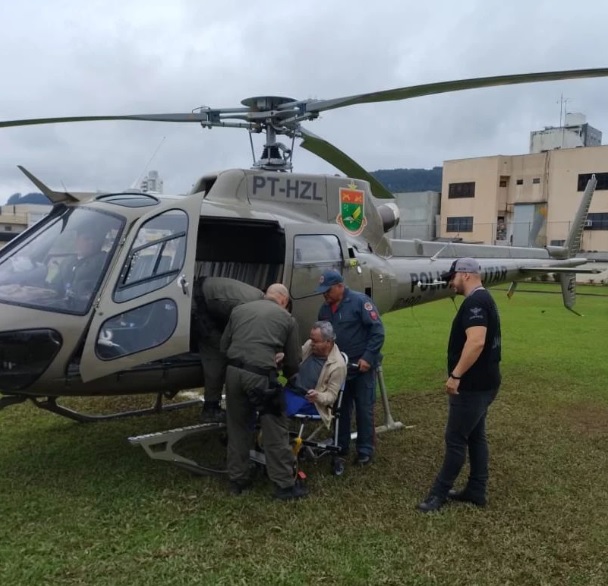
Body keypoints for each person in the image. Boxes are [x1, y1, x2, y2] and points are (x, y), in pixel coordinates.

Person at [417, 257, 502, 513]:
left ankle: (438, 494)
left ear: (465, 275)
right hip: (486, 382)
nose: (450, 283)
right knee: (476, 436)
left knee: (455, 439)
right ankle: (476, 489)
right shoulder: (484, 299)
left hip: (473, 386)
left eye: (452, 277)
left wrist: (456, 375)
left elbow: (476, 341)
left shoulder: (475, 302)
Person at [220, 283, 305, 500]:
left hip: (233, 373)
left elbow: (223, 346)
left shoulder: (239, 310)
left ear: (266, 295)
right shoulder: (287, 318)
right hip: (259, 376)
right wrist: (283, 368)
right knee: (274, 427)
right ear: (284, 301)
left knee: (237, 426)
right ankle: (284, 485)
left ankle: (237, 480)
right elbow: (293, 360)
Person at [316, 269, 384, 476]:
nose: (325, 295)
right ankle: (341, 445)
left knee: (364, 408)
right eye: (323, 291)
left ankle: (365, 450)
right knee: (340, 409)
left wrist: (368, 358)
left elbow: (377, 332)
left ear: (339, 286)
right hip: (339, 369)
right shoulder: (324, 310)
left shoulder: (360, 302)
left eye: (328, 290)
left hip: (361, 367)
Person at [193, 277, 264, 423]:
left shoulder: (256, 298)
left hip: (203, 297)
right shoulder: (252, 307)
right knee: (217, 355)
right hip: (199, 303)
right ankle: (211, 409)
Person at [284, 321, 347, 429]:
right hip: (291, 390)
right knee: (267, 399)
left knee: (279, 409)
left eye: (315, 341)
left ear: (328, 342)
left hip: (310, 402)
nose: (311, 343)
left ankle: (276, 437)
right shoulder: (309, 345)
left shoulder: (338, 365)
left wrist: (317, 396)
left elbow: (331, 396)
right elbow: (296, 357)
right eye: (311, 339)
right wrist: (284, 357)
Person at [52, 225, 108, 310]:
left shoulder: (103, 261)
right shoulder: (67, 262)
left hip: (84, 308)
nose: (92, 242)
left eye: (94, 239)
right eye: (87, 239)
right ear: (77, 241)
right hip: (63, 305)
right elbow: (56, 285)